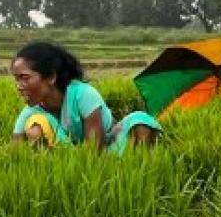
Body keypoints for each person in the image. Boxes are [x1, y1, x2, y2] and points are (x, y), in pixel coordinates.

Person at [11, 41, 160, 154]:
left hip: (107, 147)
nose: (19, 85)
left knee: (140, 121)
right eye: (17, 79)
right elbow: (15, 153)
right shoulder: (30, 112)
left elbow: (94, 151)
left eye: (25, 78)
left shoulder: (82, 94)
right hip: (69, 158)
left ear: (50, 77)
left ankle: (137, 167)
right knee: (36, 127)